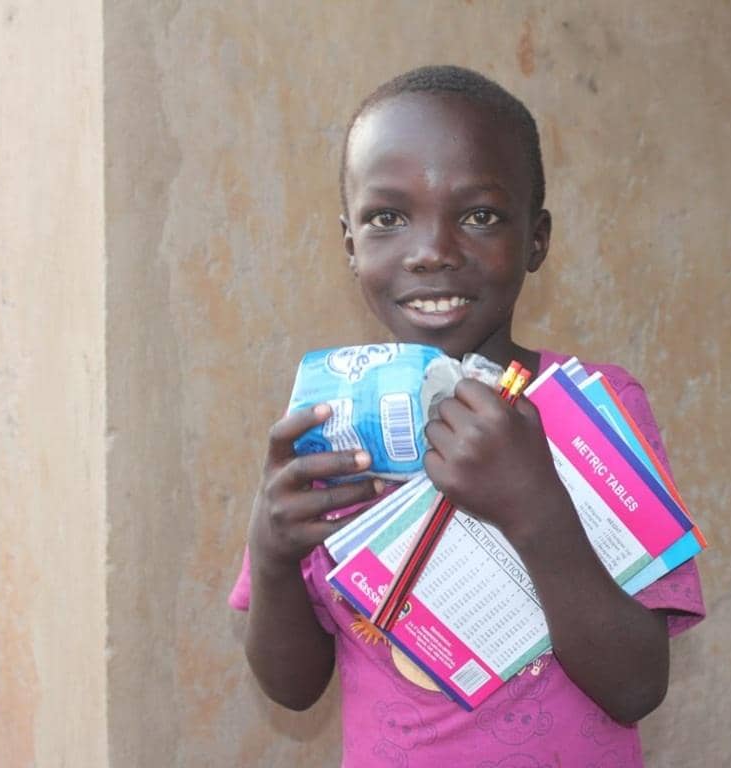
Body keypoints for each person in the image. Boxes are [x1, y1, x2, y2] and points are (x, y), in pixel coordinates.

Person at [231, 65, 705, 768]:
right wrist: (272, 556)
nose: (433, 252)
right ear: (349, 245)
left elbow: (636, 686)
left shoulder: (592, 410)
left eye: (479, 215)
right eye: (388, 218)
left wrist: (536, 509)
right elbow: (294, 689)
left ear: (536, 239)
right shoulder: (332, 420)